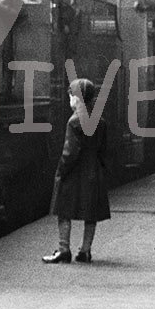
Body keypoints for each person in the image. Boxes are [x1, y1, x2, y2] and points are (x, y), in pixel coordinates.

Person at [42, 76, 110, 264]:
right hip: (93, 171)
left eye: (72, 95)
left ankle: (64, 250)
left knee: (64, 210)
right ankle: (85, 251)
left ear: (78, 98)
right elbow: (104, 151)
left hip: (74, 172)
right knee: (91, 213)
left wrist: (61, 170)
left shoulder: (74, 121)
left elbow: (70, 151)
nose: (70, 98)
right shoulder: (101, 121)